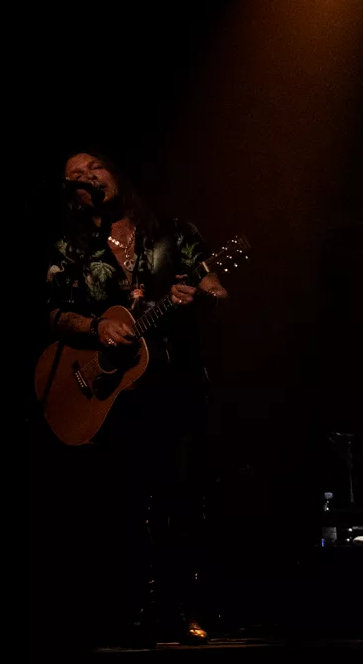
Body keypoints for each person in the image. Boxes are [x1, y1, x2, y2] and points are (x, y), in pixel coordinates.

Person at [41, 150, 228, 644]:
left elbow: (217, 289)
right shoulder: (70, 247)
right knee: (122, 504)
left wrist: (200, 297)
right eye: (75, 176)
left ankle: (176, 606)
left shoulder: (172, 234)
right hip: (113, 393)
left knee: (181, 499)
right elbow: (53, 313)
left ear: (116, 173)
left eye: (94, 168)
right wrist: (96, 326)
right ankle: (127, 608)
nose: (87, 177)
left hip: (177, 387)